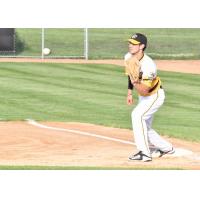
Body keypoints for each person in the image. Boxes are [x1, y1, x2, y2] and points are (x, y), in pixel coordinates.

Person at [125, 33, 174, 162]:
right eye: (129, 43)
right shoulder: (128, 57)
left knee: (137, 116)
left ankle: (145, 153)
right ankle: (167, 148)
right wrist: (129, 92)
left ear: (142, 46)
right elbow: (130, 76)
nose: (130, 45)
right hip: (144, 97)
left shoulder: (149, 65)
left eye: (133, 44)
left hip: (154, 96)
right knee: (144, 126)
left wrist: (135, 81)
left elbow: (145, 89)